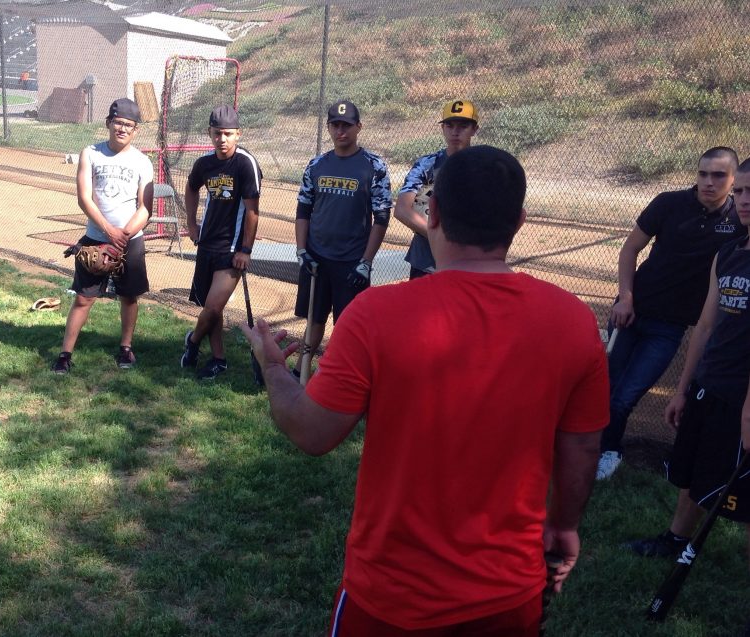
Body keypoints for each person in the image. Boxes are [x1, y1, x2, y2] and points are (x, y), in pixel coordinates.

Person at [243, 145, 609, 635]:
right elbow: (582, 446)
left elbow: (312, 432)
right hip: (507, 598)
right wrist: (563, 526)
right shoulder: (574, 320)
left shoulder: (376, 315)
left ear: (432, 212)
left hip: (389, 600)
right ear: (518, 221)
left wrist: (272, 367)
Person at [626, 158, 750, 567]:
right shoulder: (729, 253)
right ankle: (676, 538)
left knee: (742, 484)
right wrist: (683, 388)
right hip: (709, 383)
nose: (745, 201)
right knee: (694, 467)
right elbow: (704, 327)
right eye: (742, 193)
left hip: (743, 394)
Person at [596, 147, 740, 480]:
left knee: (625, 396)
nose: (708, 182)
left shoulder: (737, 222)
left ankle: (611, 450)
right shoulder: (669, 203)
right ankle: (596, 446)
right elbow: (631, 248)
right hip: (630, 312)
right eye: (703, 173)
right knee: (605, 388)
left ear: (733, 180)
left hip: (668, 327)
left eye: (718, 175)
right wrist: (625, 299)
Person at [51, 98, 154, 373]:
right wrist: (109, 231)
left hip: (130, 240)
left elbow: (146, 208)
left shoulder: (143, 162)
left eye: (129, 125)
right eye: (118, 122)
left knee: (129, 296)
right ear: (108, 123)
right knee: (84, 297)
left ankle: (125, 348)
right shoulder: (91, 153)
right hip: (96, 236)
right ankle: (64, 354)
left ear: (136, 131)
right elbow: (84, 198)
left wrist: (125, 234)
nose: (122, 128)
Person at [293, 100, 391, 370]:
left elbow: (382, 217)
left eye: (346, 125)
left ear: (359, 127)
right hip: (316, 258)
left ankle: (336, 377)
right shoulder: (317, 165)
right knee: (314, 319)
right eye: (335, 125)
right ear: (328, 127)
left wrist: (366, 262)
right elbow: (303, 209)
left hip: (352, 262)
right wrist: (302, 251)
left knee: (348, 326)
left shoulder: (374, 166)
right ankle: (301, 371)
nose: (340, 131)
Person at [180, 104, 261, 380]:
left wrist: (245, 250)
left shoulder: (245, 164)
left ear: (238, 134)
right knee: (212, 309)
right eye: (217, 133)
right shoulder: (204, 163)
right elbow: (191, 189)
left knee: (214, 306)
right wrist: (192, 224)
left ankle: (192, 342)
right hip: (207, 244)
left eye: (228, 133)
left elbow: (252, 210)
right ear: (210, 133)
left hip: (231, 249)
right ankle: (219, 359)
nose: (222, 139)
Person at [393, 99, 479, 279]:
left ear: (474, 129)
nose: (455, 132)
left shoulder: (484, 166)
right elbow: (401, 210)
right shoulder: (427, 164)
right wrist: (440, 237)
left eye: (463, 126)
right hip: (425, 261)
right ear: (442, 128)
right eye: (449, 125)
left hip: (467, 263)